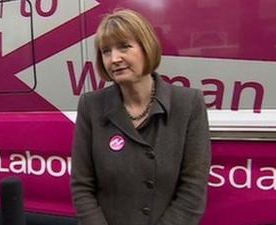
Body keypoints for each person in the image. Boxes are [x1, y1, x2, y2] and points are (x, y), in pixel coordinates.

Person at [71, 9, 211, 225]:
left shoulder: (188, 103)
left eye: (124, 47)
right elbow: (82, 186)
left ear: (147, 47)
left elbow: (192, 190)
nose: (114, 59)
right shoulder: (91, 106)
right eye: (106, 51)